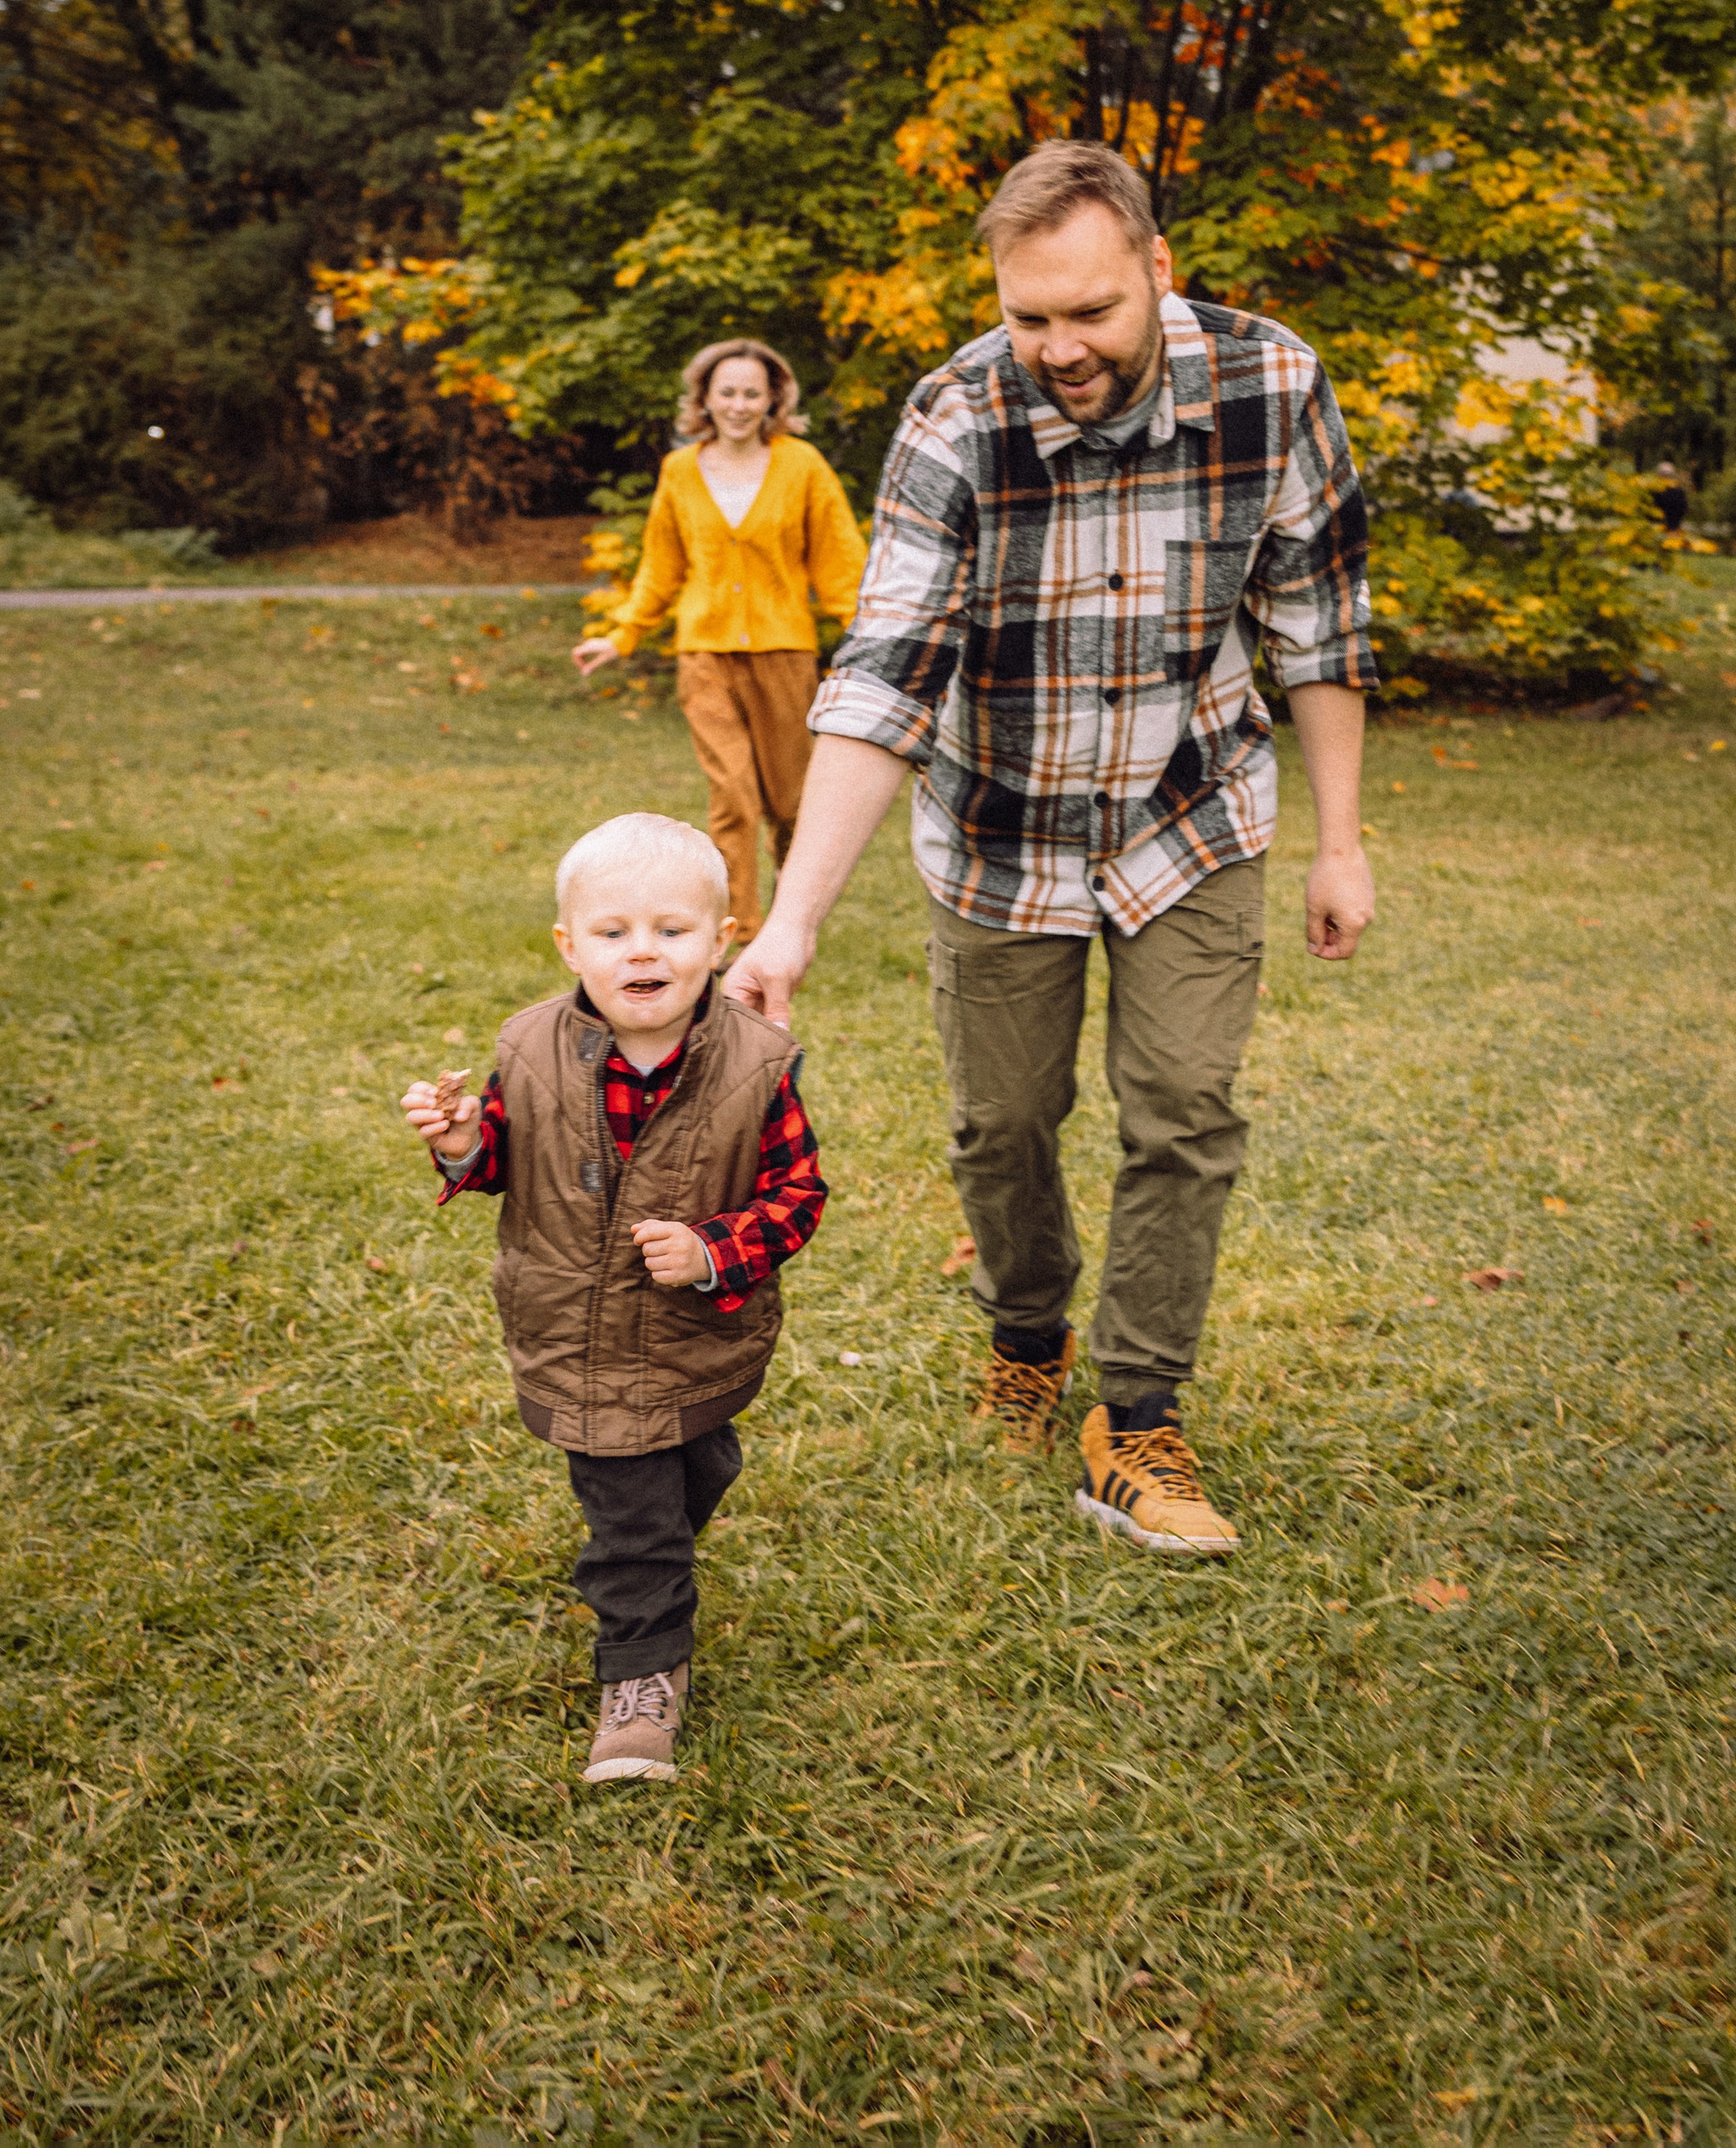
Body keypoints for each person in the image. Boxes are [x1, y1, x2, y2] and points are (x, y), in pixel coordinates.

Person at [724, 141, 1376, 1561]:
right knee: (1002, 1123)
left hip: (1189, 809)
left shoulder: (1274, 387)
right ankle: (1027, 1328)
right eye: (1030, 317)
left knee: (1184, 1109)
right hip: (1002, 827)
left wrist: (1343, 840)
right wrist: (792, 920)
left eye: (1089, 311)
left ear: (1158, 269)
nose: (1059, 348)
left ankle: (1136, 1413)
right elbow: (887, 667)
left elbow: (1319, 626)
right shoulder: (956, 413)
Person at [400, 812, 826, 1784]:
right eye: (613, 932)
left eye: (673, 930)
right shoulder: (533, 1047)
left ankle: (650, 1552)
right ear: (569, 945)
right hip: (577, 1339)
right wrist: (462, 1140)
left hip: (697, 1338)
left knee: (696, 1465)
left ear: (720, 940)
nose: (643, 950)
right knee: (634, 1522)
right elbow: (504, 1160)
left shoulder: (758, 1063)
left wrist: (716, 1248)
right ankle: (642, 1681)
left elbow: (798, 1196)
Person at [572, 339, 866, 943]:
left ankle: (793, 914)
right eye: (726, 392)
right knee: (732, 794)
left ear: (772, 399)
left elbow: (839, 561)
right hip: (704, 654)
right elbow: (661, 565)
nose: (738, 405)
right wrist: (623, 635)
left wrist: (871, 633)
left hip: (784, 652)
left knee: (789, 802)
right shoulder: (680, 470)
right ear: (704, 399)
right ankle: (743, 930)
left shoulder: (803, 465)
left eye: (751, 393)